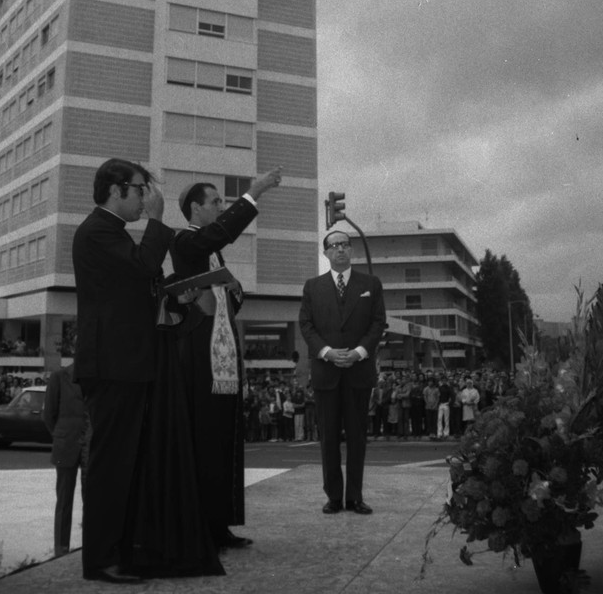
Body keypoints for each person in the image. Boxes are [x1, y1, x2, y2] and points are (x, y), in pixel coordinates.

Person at [74, 157, 220, 583]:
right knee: (110, 464)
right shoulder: (97, 231)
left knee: (126, 464)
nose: (145, 198)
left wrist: (178, 298)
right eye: (139, 190)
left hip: (129, 362)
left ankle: (121, 549)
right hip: (112, 365)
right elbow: (141, 266)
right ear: (115, 190)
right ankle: (100, 559)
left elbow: (136, 289)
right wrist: (158, 221)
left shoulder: (114, 232)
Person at [166, 168, 282, 550]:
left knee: (224, 439)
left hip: (224, 352)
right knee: (204, 438)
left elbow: (229, 299)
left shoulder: (212, 252)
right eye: (215, 201)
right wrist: (254, 193)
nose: (220, 206)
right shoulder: (184, 240)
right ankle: (199, 525)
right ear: (195, 208)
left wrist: (233, 287)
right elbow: (220, 233)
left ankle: (219, 523)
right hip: (200, 352)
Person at [299, 230, 386, 515]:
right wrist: (327, 352)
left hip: (358, 371)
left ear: (351, 250)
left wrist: (359, 352)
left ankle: (355, 497)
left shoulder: (370, 284)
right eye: (334, 246)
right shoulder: (312, 287)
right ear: (325, 252)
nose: (340, 249)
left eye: (345, 245)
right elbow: (306, 325)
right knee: (329, 438)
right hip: (326, 371)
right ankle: (334, 497)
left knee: (358, 438)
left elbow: (377, 323)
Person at [42, 362, 90, 558]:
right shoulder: (59, 377)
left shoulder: (96, 377)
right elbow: (48, 415)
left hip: (89, 445)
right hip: (66, 445)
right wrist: (60, 436)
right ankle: (61, 548)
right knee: (64, 500)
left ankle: (90, 545)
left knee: (91, 499)